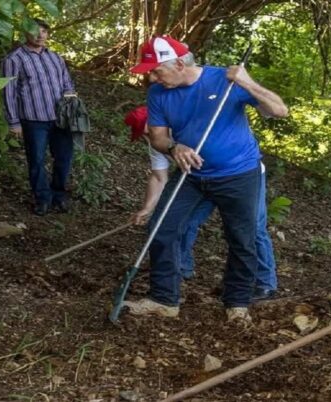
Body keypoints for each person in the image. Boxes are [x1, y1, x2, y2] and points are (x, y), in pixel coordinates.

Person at [122, 36, 288, 322]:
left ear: (177, 63)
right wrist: (175, 148)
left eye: (155, 69)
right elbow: (159, 138)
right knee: (162, 228)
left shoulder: (225, 81)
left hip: (238, 174)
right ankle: (164, 299)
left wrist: (247, 82)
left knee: (242, 239)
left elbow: (279, 110)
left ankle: (237, 303)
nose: (151, 76)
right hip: (192, 174)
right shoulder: (158, 93)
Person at [123, 106, 278, 299]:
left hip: (241, 178)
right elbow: (158, 178)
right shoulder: (157, 142)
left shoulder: (191, 125)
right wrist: (147, 208)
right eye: (143, 135)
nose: (147, 137)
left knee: (252, 228)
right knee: (183, 221)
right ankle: (181, 267)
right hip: (197, 182)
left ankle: (264, 283)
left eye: (147, 131)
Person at [2, 19, 76, 216]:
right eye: (36, 31)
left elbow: (67, 84)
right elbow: (8, 92)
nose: (40, 35)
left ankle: (59, 195)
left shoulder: (55, 58)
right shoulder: (14, 59)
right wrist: (13, 121)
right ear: (26, 33)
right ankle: (42, 198)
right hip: (34, 119)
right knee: (36, 160)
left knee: (64, 158)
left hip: (60, 119)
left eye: (44, 31)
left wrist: (71, 106)